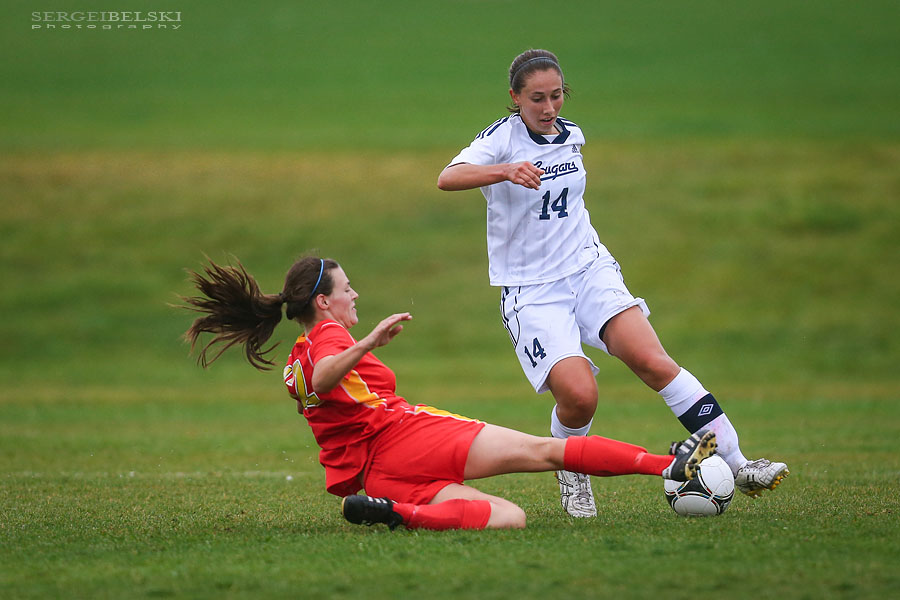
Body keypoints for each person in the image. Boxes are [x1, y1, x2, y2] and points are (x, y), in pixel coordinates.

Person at [436, 48, 788, 518]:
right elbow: (447, 176)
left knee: (653, 361)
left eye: (556, 96)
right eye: (536, 98)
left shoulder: (570, 134)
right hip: (532, 289)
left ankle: (740, 465)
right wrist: (503, 170)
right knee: (580, 398)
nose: (548, 107)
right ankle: (571, 467)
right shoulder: (501, 139)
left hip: (587, 268)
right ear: (515, 97)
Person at [180, 255, 717, 530]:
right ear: (323, 303)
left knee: (511, 518)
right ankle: (667, 465)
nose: (355, 293)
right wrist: (369, 339)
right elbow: (327, 376)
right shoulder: (329, 335)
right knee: (544, 450)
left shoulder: (295, 358)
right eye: (346, 289)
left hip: (376, 477)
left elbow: (318, 384)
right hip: (404, 437)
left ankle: (393, 513)